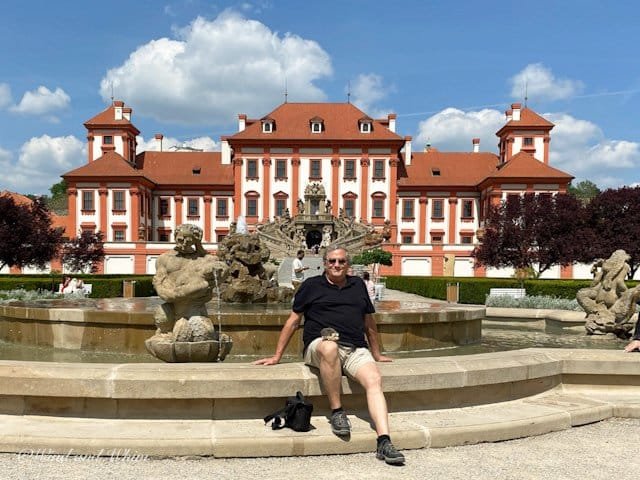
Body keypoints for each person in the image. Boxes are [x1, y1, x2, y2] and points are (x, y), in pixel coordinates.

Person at [254, 246, 405, 465]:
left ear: (348, 265)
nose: (336, 265)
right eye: (332, 261)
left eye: (341, 261)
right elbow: (293, 321)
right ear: (324, 263)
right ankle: (337, 411)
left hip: (354, 348)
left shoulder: (358, 286)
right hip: (319, 346)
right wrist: (277, 356)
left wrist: (377, 353)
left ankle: (384, 441)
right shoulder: (311, 286)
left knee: (374, 380)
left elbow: (369, 322)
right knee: (330, 347)